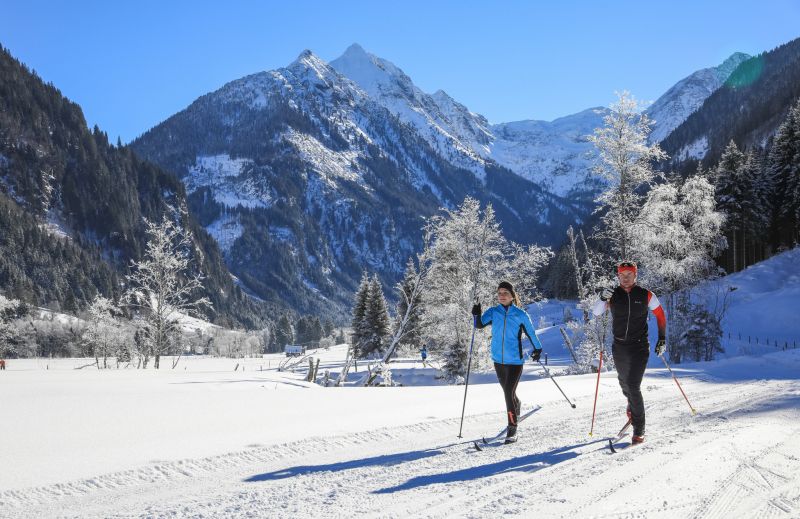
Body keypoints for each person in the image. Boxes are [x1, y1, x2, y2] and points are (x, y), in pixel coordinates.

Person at [592, 261, 667, 444]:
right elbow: (596, 313)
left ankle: (639, 428)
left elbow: (660, 315)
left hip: (639, 347)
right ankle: (631, 404)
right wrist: (602, 298)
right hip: (619, 347)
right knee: (624, 384)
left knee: (633, 385)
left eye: (629, 274)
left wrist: (662, 338)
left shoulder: (646, 295)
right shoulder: (612, 295)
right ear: (618, 276)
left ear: (635, 275)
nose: (626, 277)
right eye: (622, 274)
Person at [472, 281, 544, 443]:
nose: (502, 296)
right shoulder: (493, 312)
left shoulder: (520, 314)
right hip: (498, 360)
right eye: (499, 293)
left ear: (512, 295)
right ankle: (516, 404)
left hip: (515, 362)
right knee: (508, 391)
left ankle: (512, 428)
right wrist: (476, 314)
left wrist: (537, 349)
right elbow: (479, 325)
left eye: (505, 293)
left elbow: (532, 334)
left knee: (507, 393)